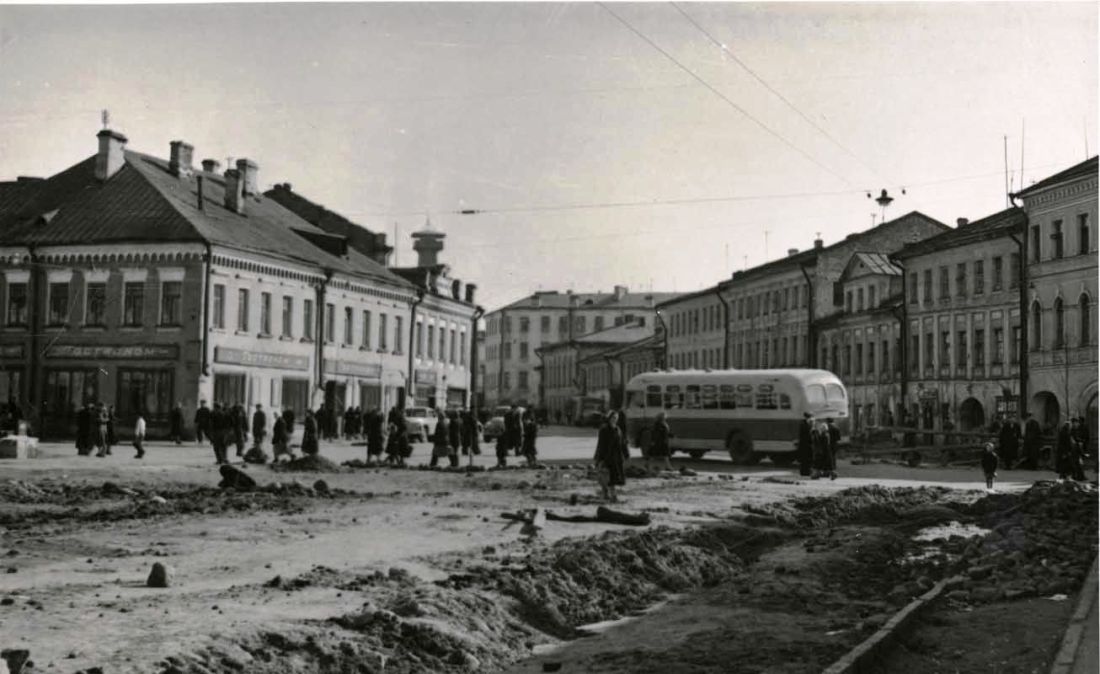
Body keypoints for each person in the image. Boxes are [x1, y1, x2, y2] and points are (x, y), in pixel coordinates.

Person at [594, 411, 628, 502]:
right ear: (609, 418)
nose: (615, 420)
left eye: (616, 418)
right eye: (613, 418)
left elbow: (622, 443)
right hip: (606, 456)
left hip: (616, 457)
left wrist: (626, 454)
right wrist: (600, 458)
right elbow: (601, 444)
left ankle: (609, 494)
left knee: (613, 477)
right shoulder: (604, 429)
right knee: (606, 476)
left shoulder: (618, 429)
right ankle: (610, 495)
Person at [797, 412, 814, 476]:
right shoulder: (804, 424)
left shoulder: (804, 423)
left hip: (805, 445)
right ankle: (805, 472)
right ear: (807, 418)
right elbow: (808, 435)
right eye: (810, 418)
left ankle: (805, 472)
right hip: (805, 445)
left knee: (805, 460)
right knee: (806, 460)